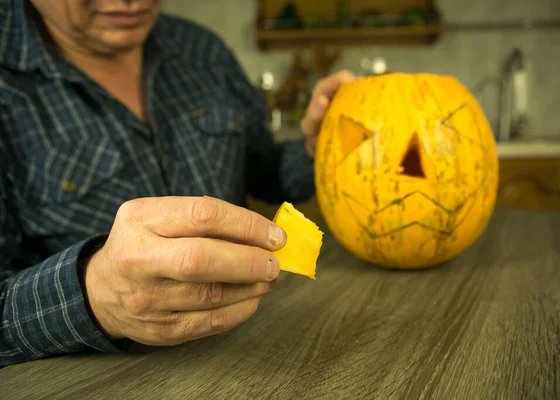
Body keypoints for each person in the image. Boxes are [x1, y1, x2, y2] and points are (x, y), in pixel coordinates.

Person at [0, 0, 356, 367]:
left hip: (251, 354)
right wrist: (92, 296)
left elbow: (264, 171)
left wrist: (320, 149)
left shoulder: (202, 49)